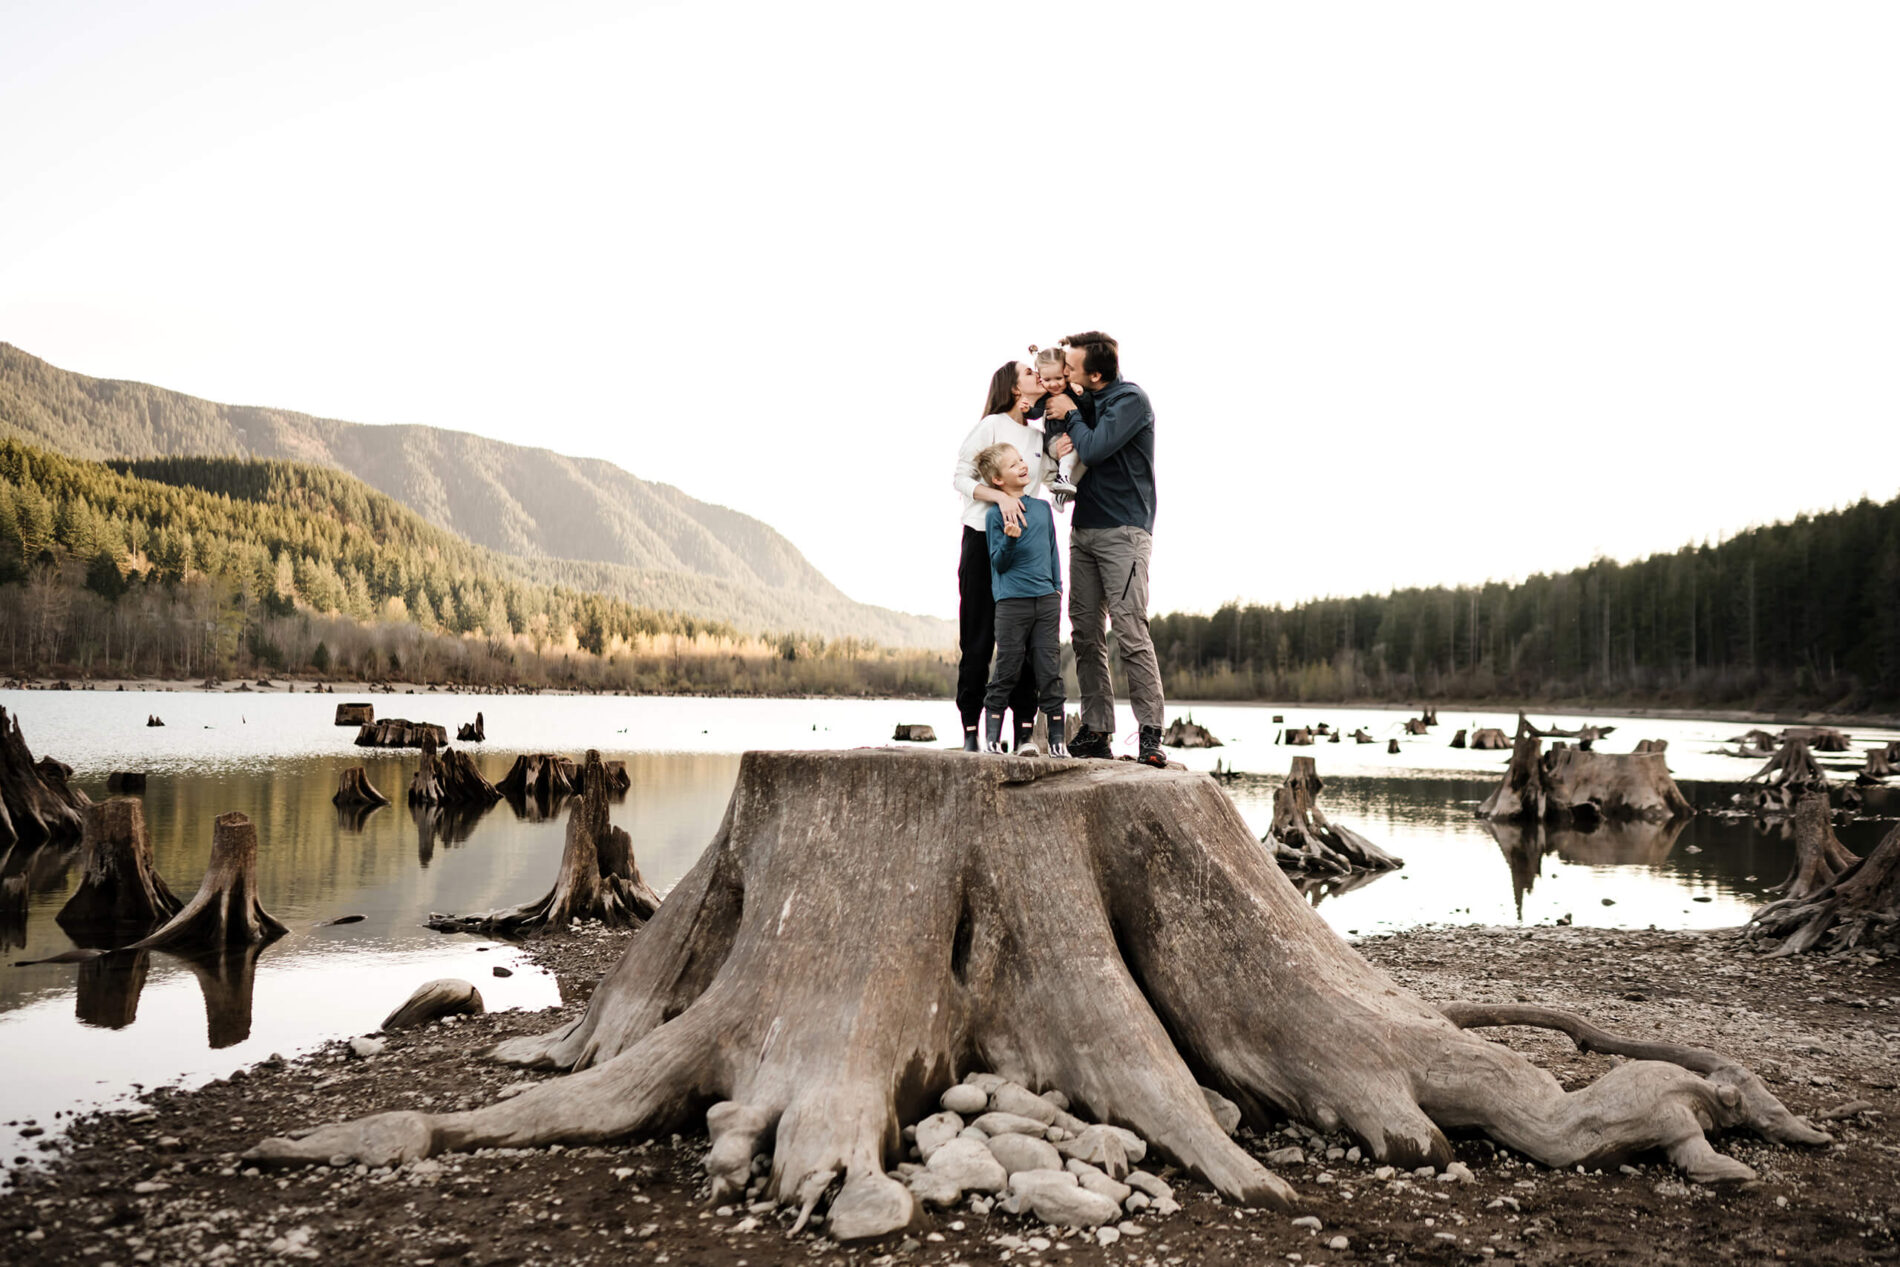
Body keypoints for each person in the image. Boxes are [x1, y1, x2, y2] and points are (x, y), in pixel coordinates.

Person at [1043, 331, 1166, 768]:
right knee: (1085, 635)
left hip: (1125, 533)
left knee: (1130, 631)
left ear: (1097, 373)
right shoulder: (1085, 399)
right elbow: (1060, 435)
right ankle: (1097, 731)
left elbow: (1093, 448)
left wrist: (1071, 413)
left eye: (1074, 368)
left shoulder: (1131, 401)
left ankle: (1151, 735)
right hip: (1084, 531)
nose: (1069, 374)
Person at [951, 360, 1049, 752]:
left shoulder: (1041, 439)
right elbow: (960, 476)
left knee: (1024, 641)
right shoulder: (991, 425)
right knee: (978, 638)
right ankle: (972, 731)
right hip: (980, 540)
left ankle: (1024, 732)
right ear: (1013, 388)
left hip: (1024, 548)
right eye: (1029, 372)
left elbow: (1054, 490)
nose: (1037, 375)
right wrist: (1001, 497)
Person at [971, 443, 1067, 756]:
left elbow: (1053, 550)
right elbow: (998, 564)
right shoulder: (995, 516)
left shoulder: (1040, 509)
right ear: (998, 481)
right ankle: (991, 740)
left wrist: (1057, 588)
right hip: (1012, 603)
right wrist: (1010, 541)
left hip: (1047, 601)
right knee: (1007, 669)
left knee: (1049, 671)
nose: (1023, 466)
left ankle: (1056, 742)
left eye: (1021, 460)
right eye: (1013, 465)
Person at [1028, 345, 1087, 503]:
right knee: (1072, 452)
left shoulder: (1072, 391)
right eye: (1047, 380)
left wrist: (1081, 393)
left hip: (1074, 440)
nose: (1053, 384)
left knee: (1086, 460)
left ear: (1066, 374)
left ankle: (1061, 494)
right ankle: (1062, 479)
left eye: (1058, 378)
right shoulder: (1045, 398)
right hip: (1055, 442)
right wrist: (1027, 410)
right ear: (1040, 378)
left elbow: (1088, 407)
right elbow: (1036, 413)